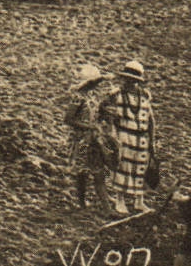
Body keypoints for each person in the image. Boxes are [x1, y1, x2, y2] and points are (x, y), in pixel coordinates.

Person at [100, 60, 156, 214]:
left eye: (134, 80)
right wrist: (111, 124)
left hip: (142, 137)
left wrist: (153, 140)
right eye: (128, 79)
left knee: (140, 168)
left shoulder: (144, 96)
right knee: (123, 168)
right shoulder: (116, 94)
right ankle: (120, 200)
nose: (130, 82)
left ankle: (139, 201)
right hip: (124, 135)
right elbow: (103, 108)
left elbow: (150, 119)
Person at [63, 64, 111, 212]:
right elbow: (68, 119)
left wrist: (105, 116)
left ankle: (107, 207)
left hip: (94, 138)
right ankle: (83, 203)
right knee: (82, 173)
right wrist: (88, 126)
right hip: (82, 139)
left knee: (99, 172)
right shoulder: (78, 97)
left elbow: (97, 112)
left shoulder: (93, 95)